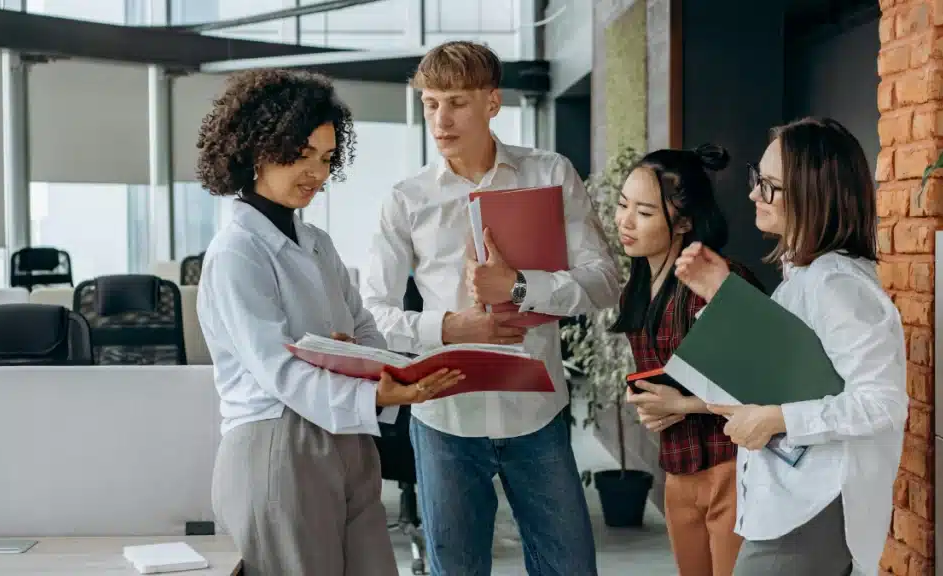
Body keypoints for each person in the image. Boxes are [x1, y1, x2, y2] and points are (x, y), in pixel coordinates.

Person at [362, 41, 619, 576]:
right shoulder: (405, 199)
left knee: (570, 568)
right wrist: (454, 326)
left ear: (492, 103)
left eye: (456, 102)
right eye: (430, 103)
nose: (441, 118)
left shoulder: (549, 173)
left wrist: (519, 286)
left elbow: (604, 283)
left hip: (536, 414)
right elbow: (375, 315)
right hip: (444, 418)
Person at [193, 69, 464, 576]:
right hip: (280, 445)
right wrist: (374, 389)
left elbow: (365, 330)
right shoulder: (237, 253)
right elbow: (280, 369)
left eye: (325, 158)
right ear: (254, 150)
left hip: (349, 442)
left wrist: (368, 365)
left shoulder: (317, 243)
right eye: (300, 156)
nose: (316, 173)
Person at [672, 117, 909, 576]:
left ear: (813, 192)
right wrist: (725, 303)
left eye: (769, 185)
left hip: (811, 508)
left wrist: (777, 418)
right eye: (755, 179)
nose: (753, 195)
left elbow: (883, 404)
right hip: (787, 503)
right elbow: (787, 375)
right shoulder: (804, 277)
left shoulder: (837, 286)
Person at [613, 145, 763, 576]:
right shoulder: (634, 291)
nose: (625, 221)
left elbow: (766, 383)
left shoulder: (720, 280)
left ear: (683, 222)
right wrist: (648, 404)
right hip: (677, 472)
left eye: (643, 212)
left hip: (734, 467)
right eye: (623, 205)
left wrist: (680, 405)